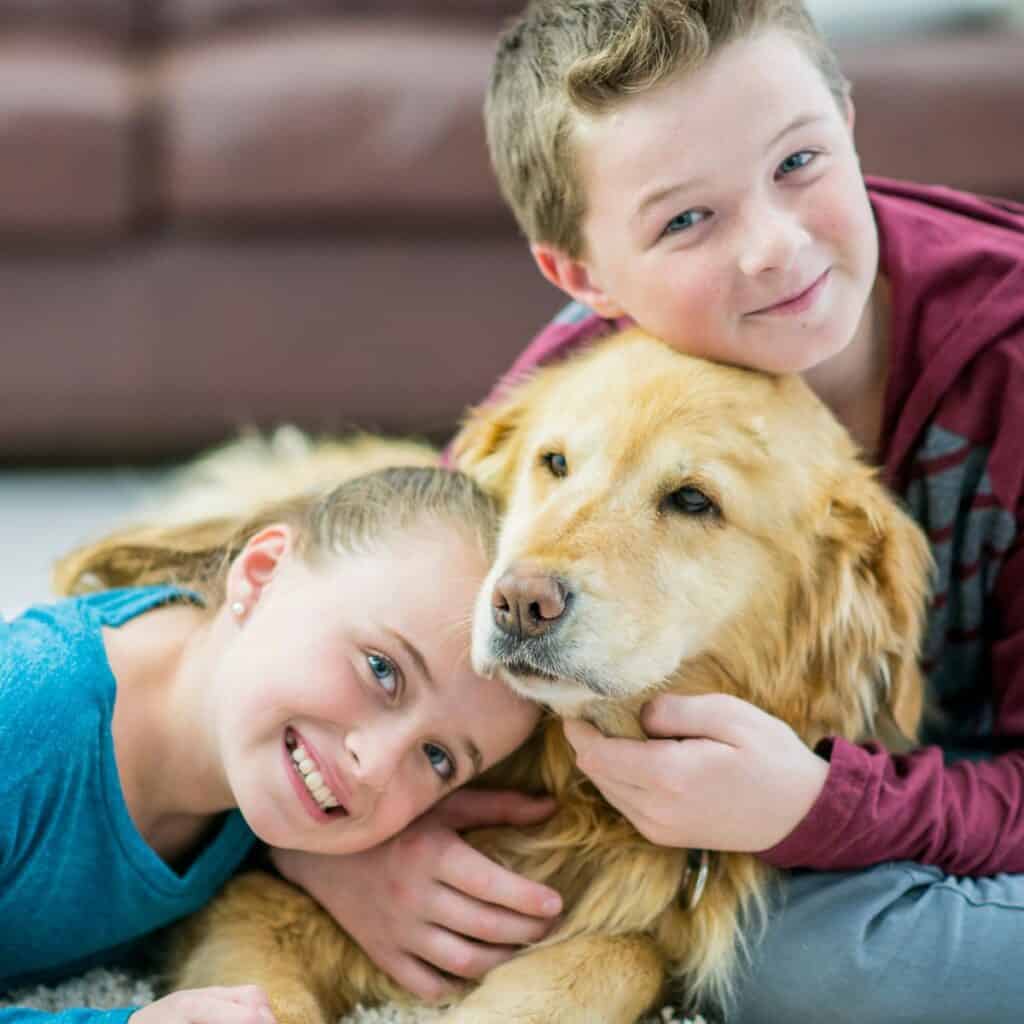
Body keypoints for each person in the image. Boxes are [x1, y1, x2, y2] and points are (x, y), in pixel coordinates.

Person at [288, 3, 1024, 1021]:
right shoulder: (578, 388)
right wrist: (325, 848)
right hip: (927, 789)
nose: (772, 248)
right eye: (686, 218)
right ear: (584, 279)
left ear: (848, 126)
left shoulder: (1011, 365)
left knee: (813, 957)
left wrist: (822, 805)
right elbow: (343, 630)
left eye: (798, 162)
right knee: (760, 937)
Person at [0, 466, 560, 1023]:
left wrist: (323, 861)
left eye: (437, 757)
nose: (376, 767)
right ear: (263, 572)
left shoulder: (240, 746)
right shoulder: (29, 718)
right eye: (381, 670)